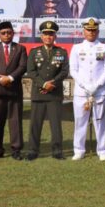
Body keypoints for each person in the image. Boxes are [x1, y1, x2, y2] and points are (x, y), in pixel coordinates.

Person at [0, 21, 28, 160]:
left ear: (13, 33)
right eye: (3, 33)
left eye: (9, 32)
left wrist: (9, 78)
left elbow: (22, 67)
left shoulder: (20, 48)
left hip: (14, 90)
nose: (6, 35)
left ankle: (16, 150)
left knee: (15, 121)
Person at [25, 21, 69, 160]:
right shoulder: (34, 52)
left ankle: (57, 151)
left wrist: (53, 83)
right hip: (38, 94)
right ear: (41, 36)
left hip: (54, 94)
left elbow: (64, 71)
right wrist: (43, 84)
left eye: (51, 34)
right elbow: (31, 71)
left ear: (55, 36)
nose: (48, 37)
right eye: (46, 34)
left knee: (56, 125)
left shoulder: (61, 52)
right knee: (35, 125)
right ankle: (33, 151)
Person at [69, 17, 105, 161]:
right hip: (82, 92)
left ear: (98, 31)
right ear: (83, 31)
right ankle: (79, 149)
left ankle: (102, 149)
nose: (91, 32)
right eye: (88, 30)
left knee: (100, 121)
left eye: (94, 30)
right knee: (80, 121)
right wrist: (85, 85)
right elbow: (73, 70)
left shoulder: (104, 47)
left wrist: (97, 85)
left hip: (99, 91)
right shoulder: (77, 48)